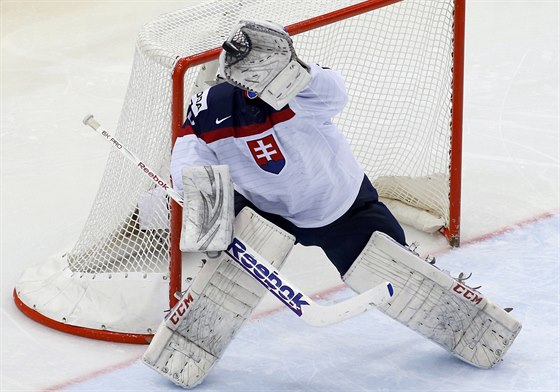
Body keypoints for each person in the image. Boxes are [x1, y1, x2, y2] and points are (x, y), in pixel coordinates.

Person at [169, 20, 406, 278]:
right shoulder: (208, 107)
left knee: (397, 278)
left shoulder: (304, 89)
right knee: (221, 289)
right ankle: (214, 284)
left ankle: (404, 274)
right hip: (267, 215)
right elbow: (189, 160)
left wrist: (297, 75)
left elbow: (334, 93)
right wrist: (212, 223)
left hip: (340, 206)